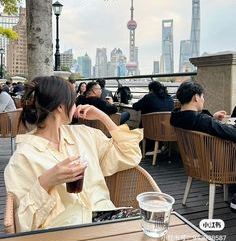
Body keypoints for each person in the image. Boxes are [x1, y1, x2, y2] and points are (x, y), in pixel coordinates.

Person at [4, 76, 142, 232]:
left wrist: (103, 117)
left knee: (152, 223)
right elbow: (21, 225)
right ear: (61, 107)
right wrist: (45, 182)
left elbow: (130, 155)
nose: (76, 105)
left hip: (106, 220)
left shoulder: (84, 135)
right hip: (64, 233)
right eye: (74, 100)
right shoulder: (23, 157)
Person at [170, 81, 236, 142]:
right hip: (216, 153)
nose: (203, 100)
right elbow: (233, 134)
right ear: (196, 97)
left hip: (191, 153)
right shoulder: (202, 120)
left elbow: (203, 125)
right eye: (202, 96)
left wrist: (213, 118)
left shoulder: (175, 116)